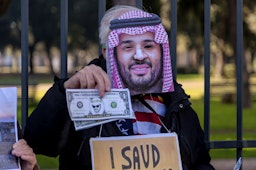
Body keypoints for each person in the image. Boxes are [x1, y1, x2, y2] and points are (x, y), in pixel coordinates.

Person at [24, 5, 215, 170]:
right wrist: (66, 91)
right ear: (107, 52)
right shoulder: (81, 94)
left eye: (148, 45)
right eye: (128, 46)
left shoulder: (176, 102)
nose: (140, 55)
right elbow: (39, 142)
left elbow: (199, 161)